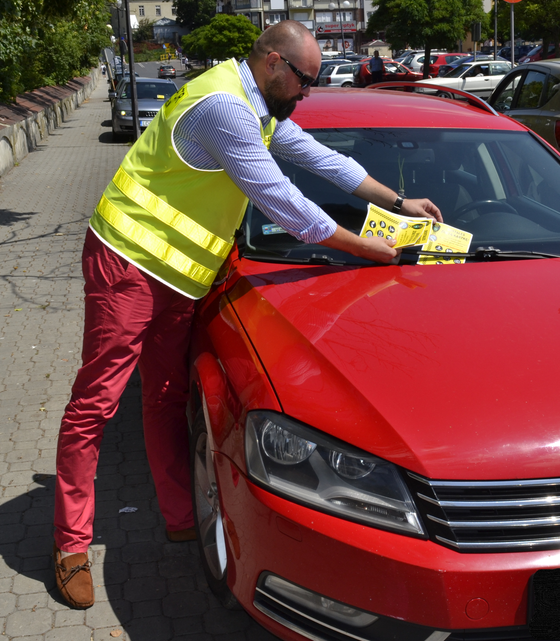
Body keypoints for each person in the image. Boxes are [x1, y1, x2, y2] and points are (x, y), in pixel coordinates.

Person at [51, 20, 442, 610]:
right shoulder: (225, 108)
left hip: (179, 278)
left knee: (163, 397)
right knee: (95, 404)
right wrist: (371, 249)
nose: (308, 92)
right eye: (305, 80)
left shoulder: (259, 104)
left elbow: (319, 157)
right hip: (127, 264)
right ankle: (70, 544)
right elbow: (283, 201)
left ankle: (179, 516)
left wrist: (397, 201)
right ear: (275, 63)